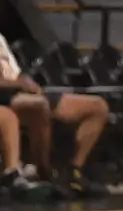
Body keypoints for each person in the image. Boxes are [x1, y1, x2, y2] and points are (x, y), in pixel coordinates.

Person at [0, 39, 110, 198]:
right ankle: (43, 173)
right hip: (5, 95)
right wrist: (19, 84)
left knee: (98, 107)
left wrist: (27, 82)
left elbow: (14, 73)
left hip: (21, 91)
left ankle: (74, 171)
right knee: (39, 106)